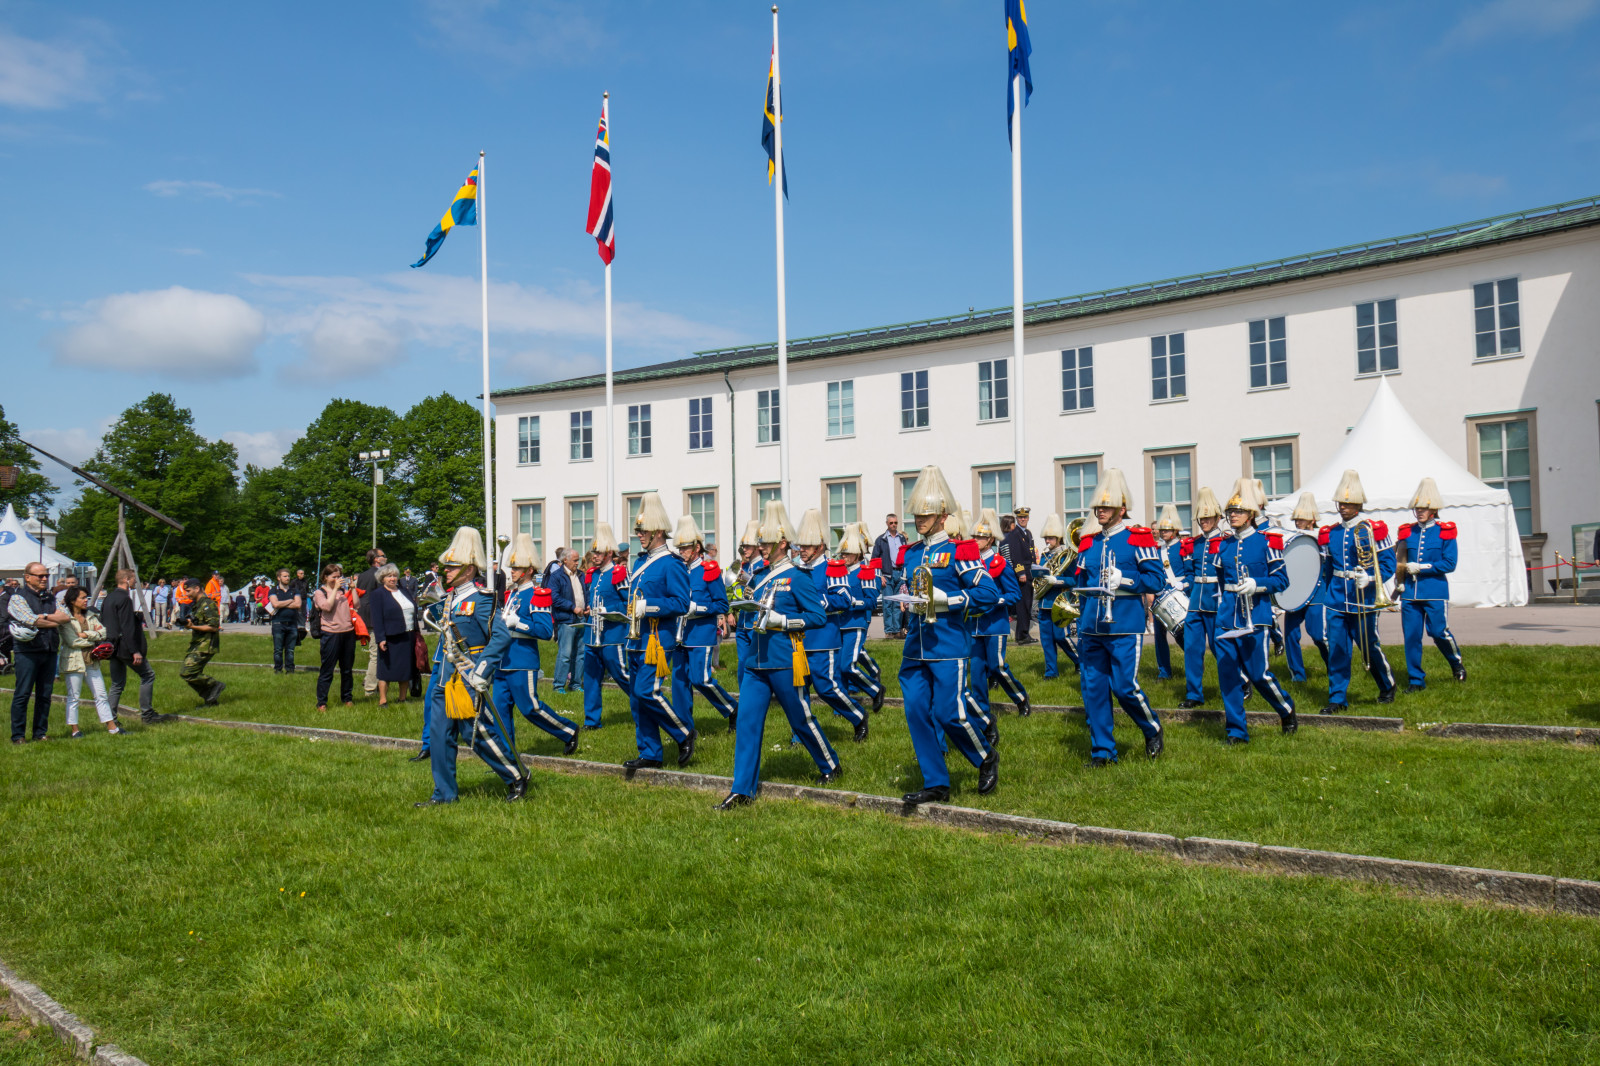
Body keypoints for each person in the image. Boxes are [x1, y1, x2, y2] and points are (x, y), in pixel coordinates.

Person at [713, 500, 842, 810]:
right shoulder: (758, 576)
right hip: (755, 661)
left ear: (782, 542)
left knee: (800, 718)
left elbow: (817, 616)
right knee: (747, 723)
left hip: (785, 660)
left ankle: (830, 764)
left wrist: (784, 622)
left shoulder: (798, 576)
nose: (761, 546)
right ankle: (742, 789)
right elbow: (749, 607)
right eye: (760, 541)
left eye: (766, 541)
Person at [896, 465, 1000, 804]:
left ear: (942, 516)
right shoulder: (912, 553)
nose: (919, 519)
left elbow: (987, 593)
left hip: (948, 644)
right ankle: (936, 782)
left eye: (926, 514)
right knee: (915, 712)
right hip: (916, 646)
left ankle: (985, 756)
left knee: (948, 713)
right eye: (916, 513)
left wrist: (949, 600)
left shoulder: (961, 550)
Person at [417, 527, 530, 806]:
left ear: (469, 570)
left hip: (469, 674)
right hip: (445, 675)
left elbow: (500, 637)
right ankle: (444, 794)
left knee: (475, 732)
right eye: (447, 566)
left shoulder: (482, 599)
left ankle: (516, 775)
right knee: (440, 736)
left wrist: (483, 671)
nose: (446, 571)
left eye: (452, 567)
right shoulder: (450, 599)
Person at [1074, 468, 1165, 766]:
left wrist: (1124, 579)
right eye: (1098, 507)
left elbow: (1156, 580)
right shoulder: (1088, 543)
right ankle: (1103, 752)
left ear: (1121, 510)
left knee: (1125, 687)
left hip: (1124, 624)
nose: (1099, 511)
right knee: (1095, 690)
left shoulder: (1138, 539)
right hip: (1091, 627)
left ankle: (1151, 728)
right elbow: (1080, 583)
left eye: (1106, 506)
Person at [1211, 479, 1298, 744]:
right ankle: (1237, 731)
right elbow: (1221, 580)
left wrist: (1257, 584)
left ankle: (1286, 709)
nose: (1233, 515)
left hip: (1255, 616)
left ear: (1250, 514)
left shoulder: (1266, 543)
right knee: (1228, 676)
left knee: (1259, 674)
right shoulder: (1223, 545)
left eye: (1238, 511)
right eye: (1230, 511)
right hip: (1227, 618)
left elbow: (1282, 580)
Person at [621, 493, 697, 771]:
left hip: (657, 640)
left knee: (647, 692)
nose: (639, 534)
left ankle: (683, 733)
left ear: (658, 532)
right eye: (638, 530)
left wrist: (649, 606)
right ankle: (650, 752)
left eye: (643, 530)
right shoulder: (640, 563)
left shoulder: (671, 563)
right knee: (637, 700)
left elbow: (681, 603)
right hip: (636, 640)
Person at [1320, 469, 1398, 712]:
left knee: (1368, 646)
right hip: (1336, 598)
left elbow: (1389, 564)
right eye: (1341, 503)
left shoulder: (1374, 529)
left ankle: (1387, 684)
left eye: (1349, 503)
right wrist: (1325, 594)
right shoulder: (1331, 533)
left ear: (1358, 504)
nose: (1343, 507)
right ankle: (1337, 699)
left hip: (1364, 597)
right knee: (1337, 649)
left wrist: (1371, 578)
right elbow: (1327, 568)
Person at [493, 533, 580, 753]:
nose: (512, 571)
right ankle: (506, 757)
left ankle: (568, 730)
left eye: (517, 567)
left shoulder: (537, 595)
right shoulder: (512, 594)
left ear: (529, 570)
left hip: (522, 661)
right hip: (503, 661)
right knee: (499, 712)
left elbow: (545, 631)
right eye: (512, 567)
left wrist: (518, 623)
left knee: (530, 708)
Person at [792, 508, 871, 742]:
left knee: (826, 687)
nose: (802, 550)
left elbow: (844, 599)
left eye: (807, 546)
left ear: (819, 546)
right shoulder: (796, 569)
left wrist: (818, 602)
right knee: (798, 689)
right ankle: (800, 735)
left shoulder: (833, 567)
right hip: (798, 639)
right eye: (801, 545)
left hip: (823, 638)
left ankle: (858, 715)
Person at [1398, 477, 1466, 691]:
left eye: (1423, 508)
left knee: (1438, 632)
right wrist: (1398, 580)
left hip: (1435, 590)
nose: (1419, 511)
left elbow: (1449, 563)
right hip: (1410, 592)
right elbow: (1399, 559)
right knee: (1411, 637)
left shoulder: (1445, 531)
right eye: (1417, 508)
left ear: (1433, 509)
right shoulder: (1407, 531)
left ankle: (1456, 662)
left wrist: (1422, 567)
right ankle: (1416, 680)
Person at [672, 516, 738, 731]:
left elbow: (721, 604)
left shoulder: (709, 569)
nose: (681, 551)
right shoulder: (679, 570)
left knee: (701, 679)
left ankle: (732, 708)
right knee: (679, 683)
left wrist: (698, 609)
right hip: (679, 634)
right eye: (679, 547)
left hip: (700, 632)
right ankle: (684, 728)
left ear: (696, 547)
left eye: (685, 547)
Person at [968, 509, 1031, 733]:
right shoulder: (968, 563)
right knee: (976, 672)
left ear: (990, 540)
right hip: (974, 625)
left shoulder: (999, 563)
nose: (976, 540)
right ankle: (982, 713)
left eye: (981, 537)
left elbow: (1014, 594)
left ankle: (1020, 698)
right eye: (974, 536)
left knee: (997, 667)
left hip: (995, 624)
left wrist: (996, 600)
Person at [8, 562, 69, 742]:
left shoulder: (51, 597)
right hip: (27, 651)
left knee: (45, 694)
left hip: (49, 649)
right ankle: (18, 735)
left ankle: (40, 733)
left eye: (46, 576)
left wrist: (43, 617)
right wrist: (51, 620)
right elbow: (30, 620)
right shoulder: (18, 598)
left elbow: (65, 617)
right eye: (40, 576)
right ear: (27, 577)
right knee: (23, 693)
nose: (44, 579)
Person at [1178, 487, 1227, 709]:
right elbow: (1190, 574)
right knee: (1192, 648)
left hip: (1216, 600)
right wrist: (1183, 584)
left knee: (1220, 647)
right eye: (1201, 518)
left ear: (1217, 518)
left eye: (1208, 518)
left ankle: (1239, 681)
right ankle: (1194, 694)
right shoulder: (1193, 544)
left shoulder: (1226, 542)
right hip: (1196, 601)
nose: (1204, 521)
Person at [581, 523, 631, 730]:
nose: (594, 556)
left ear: (609, 553)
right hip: (592, 634)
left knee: (621, 675)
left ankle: (646, 703)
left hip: (613, 634)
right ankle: (592, 721)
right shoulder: (593, 574)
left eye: (599, 552)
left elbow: (629, 604)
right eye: (594, 552)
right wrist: (589, 609)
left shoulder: (619, 573)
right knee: (591, 678)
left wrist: (607, 609)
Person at [834, 524, 886, 711]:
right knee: (838, 668)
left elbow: (871, 601)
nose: (843, 556)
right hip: (839, 624)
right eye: (843, 552)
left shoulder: (865, 572)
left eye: (847, 553)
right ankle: (842, 706)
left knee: (847, 666)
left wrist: (853, 602)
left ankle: (875, 689)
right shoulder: (840, 572)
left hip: (855, 624)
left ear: (857, 554)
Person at [1281, 491, 1331, 682]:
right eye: (1296, 519)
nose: (1297, 523)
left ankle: (1334, 668)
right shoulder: (1293, 538)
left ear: (1311, 520)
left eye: (1301, 519)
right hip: (1296, 590)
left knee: (1318, 634)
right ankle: (1297, 675)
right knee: (1290, 634)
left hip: (1317, 590)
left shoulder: (1322, 538)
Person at [58, 587, 120, 737]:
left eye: (86, 597)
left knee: (101, 694)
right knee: (74, 696)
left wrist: (85, 634)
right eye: (83, 598)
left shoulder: (91, 615)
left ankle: (112, 727)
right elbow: (72, 641)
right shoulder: (66, 619)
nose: (86, 600)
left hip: (92, 661)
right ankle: (75, 730)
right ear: (73, 600)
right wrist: (93, 640)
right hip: (74, 661)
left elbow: (103, 632)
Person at [102, 569, 158, 723]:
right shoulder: (125, 599)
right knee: (148, 675)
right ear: (126, 579)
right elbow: (127, 627)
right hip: (126, 647)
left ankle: (110, 719)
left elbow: (108, 621)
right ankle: (147, 714)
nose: (135, 581)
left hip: (112, 646)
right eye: (133, 578)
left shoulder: (109, 598)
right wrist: (135, 651)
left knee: (117, 683)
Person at [1032, 513, 1081, 678]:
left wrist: (1057, 581)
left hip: (1059, 602)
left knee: (1061, 637)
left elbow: (1073, 579)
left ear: (1058, 538)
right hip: (1044, 603)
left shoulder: (1067, 555)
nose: (1047, 541)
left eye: (1051, 538)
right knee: (1046, 640)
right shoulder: (1045, 556)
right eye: (1046, 538)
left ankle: (1079, 660)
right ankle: (1051, 672)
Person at [368, 563, 418, 707]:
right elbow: (377, 618)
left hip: (408, 635)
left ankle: (402, 698)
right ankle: (383, 700)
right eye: (389, 576)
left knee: (405, 668)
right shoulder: (378, 594)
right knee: (386, 669)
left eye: (395, 576)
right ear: (382, 578)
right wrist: (381, 638)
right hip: (390, 637)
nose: (392, 578)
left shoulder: (404, 591)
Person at [1147, 504, 1187, 681]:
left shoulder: (1184, 547)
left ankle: (1193, 663)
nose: (1163, 533)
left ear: (1175, 530)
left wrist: (1183, 585)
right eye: (1161, 530)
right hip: (1161, 594)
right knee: (1159, 636)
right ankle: (1164, 671)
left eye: (1166, 530)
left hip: (1180, 595)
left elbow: (1191, 574)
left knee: (1181, 634)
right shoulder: (1157, 550)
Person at [312, 564, 357, 711]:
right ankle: (322, 702)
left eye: (339, 577)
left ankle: (347, 698)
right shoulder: (319, 593)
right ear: (326, 577)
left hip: (348, 632)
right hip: (330, 633)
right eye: (334, 577)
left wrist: (353, 589)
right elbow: (326, 607)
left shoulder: (344, 591)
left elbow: (357, 605)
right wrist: (335, 590)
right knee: (327, 669)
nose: (337, 579)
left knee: (347, 669)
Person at [178, 577, 226, 707]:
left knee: (187, 672)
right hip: (198, 643)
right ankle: (210, 700)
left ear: (197, 588)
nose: (187, 594)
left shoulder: (208, 604)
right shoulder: (197, 604)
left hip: (206, 644)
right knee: (190, 674)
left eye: (188, 591)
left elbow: (213, 627)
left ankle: (215, 685)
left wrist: (192, 626)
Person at [546, 548, 588, 694]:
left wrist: (587, 605)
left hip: (581, 618)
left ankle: (576, 684)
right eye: (575, 560)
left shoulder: (581, 575)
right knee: (565, 654)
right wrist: (572, 607)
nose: (577, 563)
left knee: (580, 653)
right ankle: (558, 685)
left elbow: (586, 592)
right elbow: (554, 598)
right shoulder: (556, 576)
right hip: (566, 620)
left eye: (578, 560)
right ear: (565, 560)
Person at [731, 520, 766, 689]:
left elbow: (764, 591)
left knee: (756, 662)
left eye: (748, 546)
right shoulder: (744, 566)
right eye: (743, 546)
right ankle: (744, 694)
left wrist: (748, 580)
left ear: (757, 547)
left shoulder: (764, 565)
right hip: (743, 621)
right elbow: (737, 591)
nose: (744, 549)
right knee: (742, 662)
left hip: (756, 621)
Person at [355, 548, 386, 698]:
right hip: (374, 617)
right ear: (376, 559)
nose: (385, 558)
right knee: (376, 654)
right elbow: (382, 596)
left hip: (363, 616)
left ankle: (371, 680)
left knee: (375, 652)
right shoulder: (380, 575)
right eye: (383, 556)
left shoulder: (362, 575)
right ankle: (370, 688)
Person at [871, 513, 908, 637]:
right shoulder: (881, 539)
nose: (893, 525)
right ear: (887, 524)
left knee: (898, 603)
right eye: (891, 523)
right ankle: (888, 631)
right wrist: (879, 575)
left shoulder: (901, 538)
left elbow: (905, 556)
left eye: (895, 523)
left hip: (900, 573)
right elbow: (874, 559)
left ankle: (896, 630)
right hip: (886, 574)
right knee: (887, 603)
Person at [1004, 507, 1037, 643]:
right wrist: (1021, 572)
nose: (1023, 519)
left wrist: (1035, 569)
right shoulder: (1014, 533)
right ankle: (1022, 635)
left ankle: (1024, 633)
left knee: (1028, 603)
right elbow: (1015, 555)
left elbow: (1032, 553)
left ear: (1028, 518)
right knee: (1023, 605)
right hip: (1022, 573)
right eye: (1020, 517)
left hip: (1030, 572)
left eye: (1025, 517)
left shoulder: (1027, 533)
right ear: (1017, 519)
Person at [268, 569, 302, 673]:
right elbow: (275, 604)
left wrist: (281, 604)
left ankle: (290, 669)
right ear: (279, 578)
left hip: (292, 623)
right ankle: (278, 669)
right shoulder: (274, 591)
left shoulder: (294, 591)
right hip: (278, 623)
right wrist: (290, 601)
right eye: (285, 576)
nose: (287, 578)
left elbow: (298, 604)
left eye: (288, 576)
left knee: (290, 650)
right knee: (278, 650)